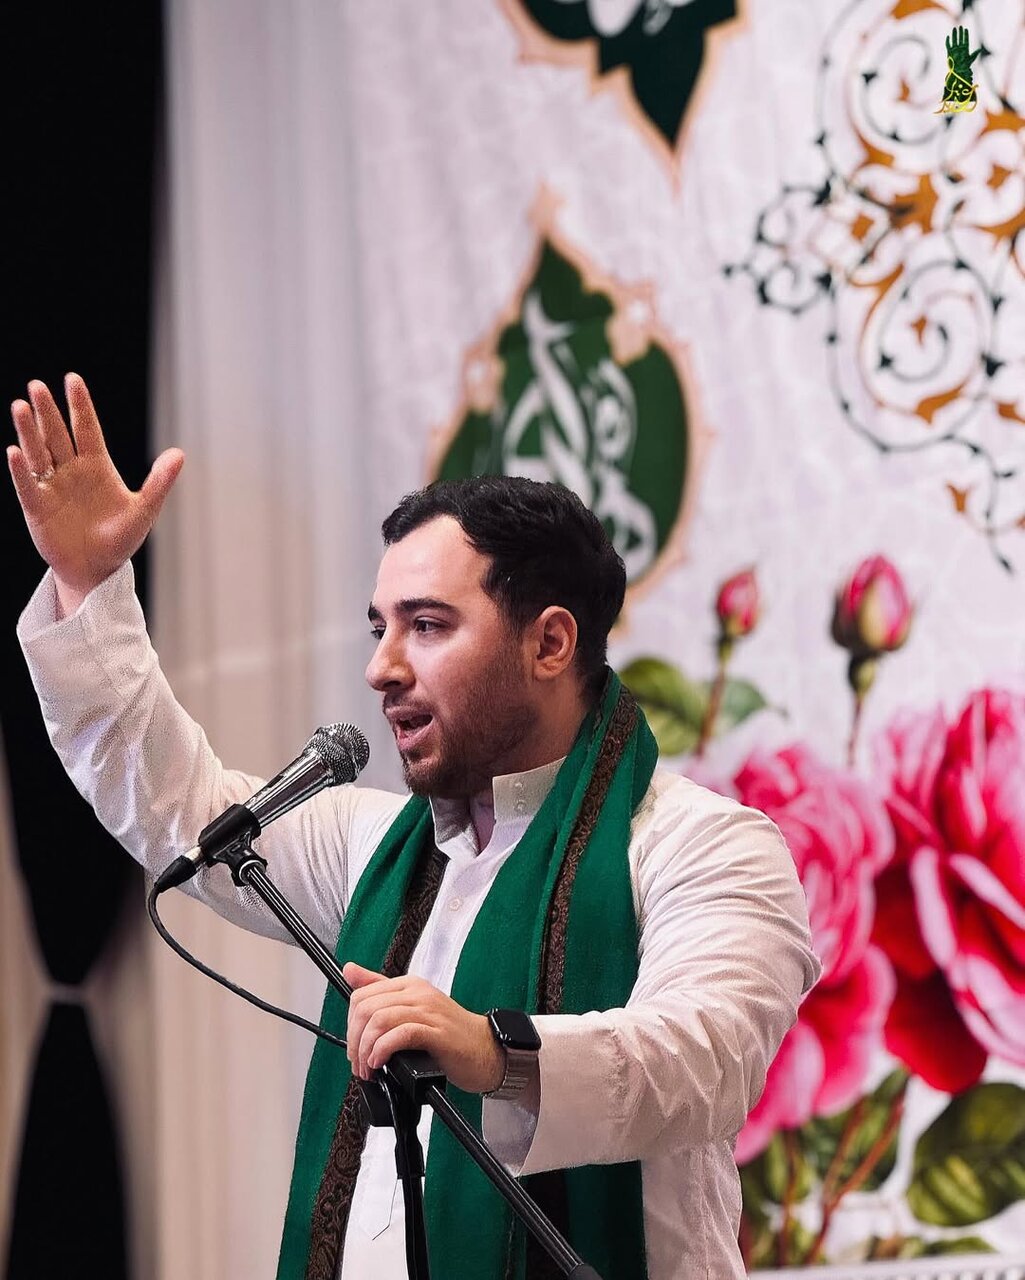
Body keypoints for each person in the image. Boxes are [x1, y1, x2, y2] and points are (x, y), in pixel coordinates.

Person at [10, 374, 819, 1280]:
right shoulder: (378, 848)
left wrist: (492, 1051)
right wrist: (89, 586)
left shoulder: (702, 846)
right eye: (379, 629)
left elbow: (702, 1060)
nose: (382, 668)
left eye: (427, 626)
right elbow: (179, 810)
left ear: (550, 643)